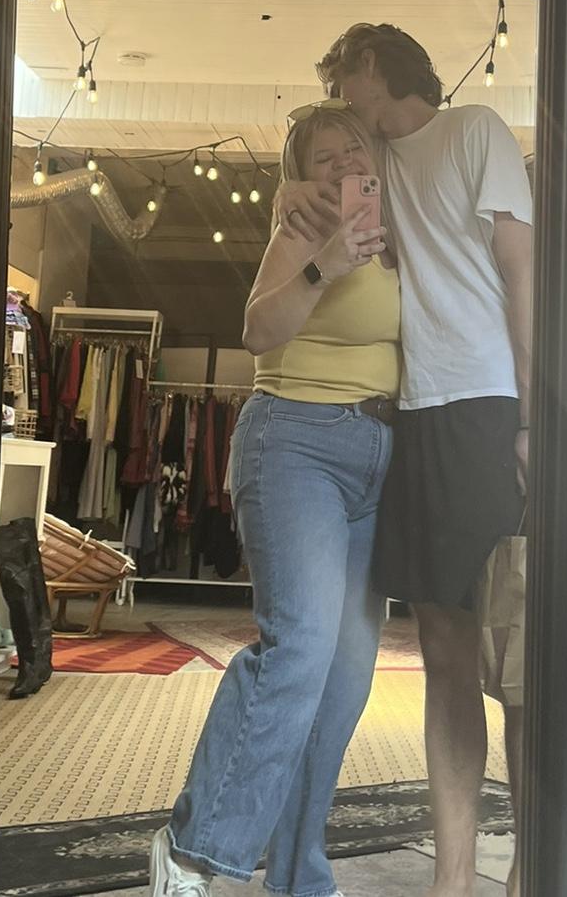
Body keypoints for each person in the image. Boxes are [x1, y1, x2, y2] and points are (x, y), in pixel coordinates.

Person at [277, 23, 533, 897]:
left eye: (341, 82)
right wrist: (295, 195)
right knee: (444, 655)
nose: (339, 103)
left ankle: (527, 868)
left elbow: (522, 273)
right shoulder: (369, 168)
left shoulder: (475, 130)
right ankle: (452, 881)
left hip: (485, 408)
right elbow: (308, 180)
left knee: (513, 663)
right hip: (410, 420)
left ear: (370, 68)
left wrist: (531, 416)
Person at [149, 103, 399, 897]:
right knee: (300, 646)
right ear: (301, 173)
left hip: (379, 458)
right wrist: (325, 262)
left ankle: (298, 880)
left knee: (346, 679)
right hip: (296, 440)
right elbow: (259, 329)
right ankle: (191, 850)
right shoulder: (304, 224)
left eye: (354, 149)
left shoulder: (400, 227)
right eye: (325, 156)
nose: (343, 164)